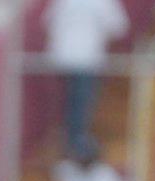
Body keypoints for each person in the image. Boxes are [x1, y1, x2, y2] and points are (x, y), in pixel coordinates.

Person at [42, 0, 129, 147]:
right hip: (87, 58)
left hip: (62, 58)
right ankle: (76, 143)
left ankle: (68, 140)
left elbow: (48, 22)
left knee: (69, 100)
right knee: (81, 101)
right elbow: (118, 28)